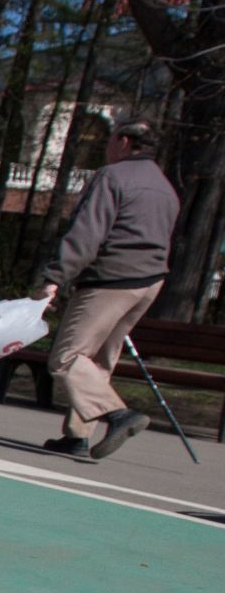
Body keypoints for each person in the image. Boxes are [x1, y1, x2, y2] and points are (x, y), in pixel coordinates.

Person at [35, 117, 181, 461]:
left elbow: (87, 233)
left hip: (112, 278)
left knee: (67, 357)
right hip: (149, 281)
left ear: (125, 142)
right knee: (98, 360)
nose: (106, 146)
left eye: (110, 139)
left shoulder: (112, 177)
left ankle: (118, 415)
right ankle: (77, 435)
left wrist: (56, 276)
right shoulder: (165, 186)